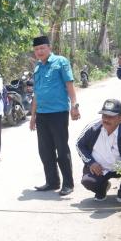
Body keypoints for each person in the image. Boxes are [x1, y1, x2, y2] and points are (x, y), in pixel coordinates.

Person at [29, 35, 80, 195]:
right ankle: (52, 182)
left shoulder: (61, 62)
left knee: (61, 148)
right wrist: (33, 115)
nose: (39, 51)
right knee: (45, 150)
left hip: (58, 113)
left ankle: (68, 184)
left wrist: (74, 106)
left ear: (49, 48)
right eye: (36, 49)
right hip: (42, 114)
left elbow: (69, 85)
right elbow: (36, 93)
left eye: (42, 48)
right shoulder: (37, 67)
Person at [76, 99, 121, 209]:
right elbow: (79, 145)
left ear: (120, 119)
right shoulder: (93, 128)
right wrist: (91, 163)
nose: (106, 119)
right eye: (104, 115)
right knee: (88, 181)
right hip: (99, 169)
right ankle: (103, 187)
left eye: (111, 116)